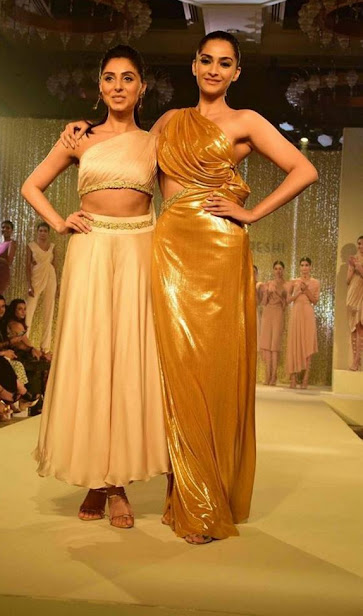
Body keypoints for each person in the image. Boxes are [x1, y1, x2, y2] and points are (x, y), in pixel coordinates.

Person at [61, 32, 318, 544]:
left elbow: (304, 169)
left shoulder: (246, 121)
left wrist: (251, 212)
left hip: (219, 248)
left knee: (212, 369)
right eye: (206, 60)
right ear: (194, 65)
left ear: (237, 72)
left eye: (225, 63)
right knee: (173, 369)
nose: (214, 69)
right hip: (169, 248)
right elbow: (124, 149)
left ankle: (203, 498)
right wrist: (79, 131)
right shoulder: (167, 122)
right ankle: (175, 485)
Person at [21, 44, 169, 529]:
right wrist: (59, 222)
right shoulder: (79, 137)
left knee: (127, 362)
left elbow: (179, 197)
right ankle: (96, 480)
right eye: (110, 77)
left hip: (139, 250)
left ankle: (118, 482)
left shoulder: (155, 142)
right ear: (99, 86)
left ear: (142, 87)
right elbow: (31, 186)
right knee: (90, 359)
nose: (118, 86)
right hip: (90, 249)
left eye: (128, 77)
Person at [286, 257, 320, 388]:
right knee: (295, 343)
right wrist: (298, 292)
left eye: (306, 265)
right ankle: (293, 378)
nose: (304, 267)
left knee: (308, 343)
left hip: (308, 313)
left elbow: (315, 301)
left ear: (310, 267)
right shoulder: (294, 281)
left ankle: (306, 379)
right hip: (296, 312)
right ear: (299, 267)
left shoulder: (315, 282)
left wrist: (306, 290)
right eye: (302, 265)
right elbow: (288, 300)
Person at [25, 222, 57, 353]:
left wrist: (57, 284)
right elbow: (27, 265)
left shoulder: (52, 246)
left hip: (50, 275)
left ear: (48, 233)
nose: (43, 233)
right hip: (36, 276)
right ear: (37, 232)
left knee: (49, 310)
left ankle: (45, 347)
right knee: (29, 310)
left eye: (45, 231)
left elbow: (54, 264)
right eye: (41, 231)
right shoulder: (31, 246)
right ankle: (24, 342)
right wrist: (29, 285)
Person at [260, 261, 287, 385]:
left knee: (274, 346)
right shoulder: (268, 283)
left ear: (283, 270)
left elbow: (285, 304)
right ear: (273, 270)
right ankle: (267, 374)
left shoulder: (286, 285)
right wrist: (267, 293)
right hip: (267, 313)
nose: (278, 271)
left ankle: (274, 376)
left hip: (278, 313)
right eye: (276, 268)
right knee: (266, 346)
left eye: (280, 268)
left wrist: (278, 294)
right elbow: (263, 302)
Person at [346, 235, 363, 371]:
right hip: (352, 293)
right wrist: (352, 267)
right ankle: (356, 359)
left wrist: (358, 267)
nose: (360, 246)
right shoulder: (354, 259)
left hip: (362, 294)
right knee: (353, 328)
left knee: (360, 326)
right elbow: (347, 280)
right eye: (359, 243)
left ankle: (356, 361)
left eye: (362, 244)